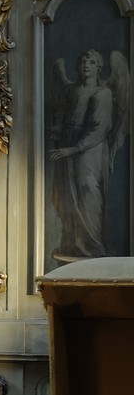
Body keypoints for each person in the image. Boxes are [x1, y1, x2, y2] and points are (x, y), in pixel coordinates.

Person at [48, 47, 130, 260]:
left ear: (99, 68)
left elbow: (100, 129)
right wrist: (58, 128)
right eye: (83, 61)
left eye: (92, 62)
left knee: (88, 191)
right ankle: (72, 245)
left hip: (89, 149)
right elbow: (61, 111)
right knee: (67, 194)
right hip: (67, 143)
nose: (86, 65)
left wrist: (74, 148)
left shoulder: (103, 93)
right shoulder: (71, 89)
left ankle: (93, 247)